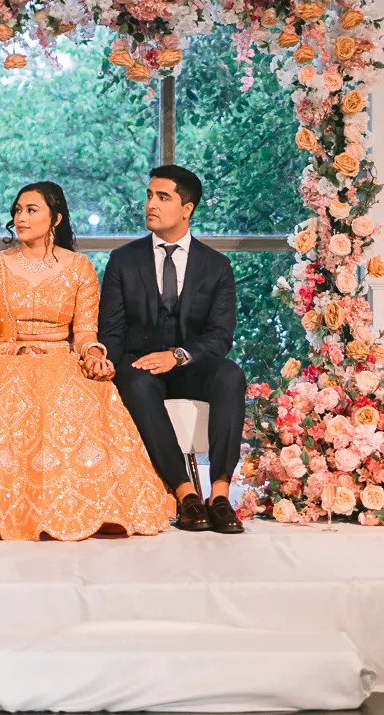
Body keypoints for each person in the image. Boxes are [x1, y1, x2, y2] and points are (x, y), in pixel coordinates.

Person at [0, 181, 171, 540]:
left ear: (55, 218)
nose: (21, 218)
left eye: (31, 210)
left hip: (60, 356)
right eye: (17, 211)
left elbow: (85, 332)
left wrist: (94, 354)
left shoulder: (80, 267)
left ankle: (70, 508)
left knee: (79, 390)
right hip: (2, 356)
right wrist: (15, 350)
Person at [99, 164, 247, 534]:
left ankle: (219, 496)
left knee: (230, 374)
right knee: (135, 381)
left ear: (187, 209)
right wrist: (110, 361)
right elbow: (112, 330)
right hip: (142, 366)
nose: (151, 203)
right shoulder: (123, 260)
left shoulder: (216, 266)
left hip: (191, 366)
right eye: (149, 195)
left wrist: (178, 355)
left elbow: (220, 335)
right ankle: (186, 496)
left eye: (162, 197)